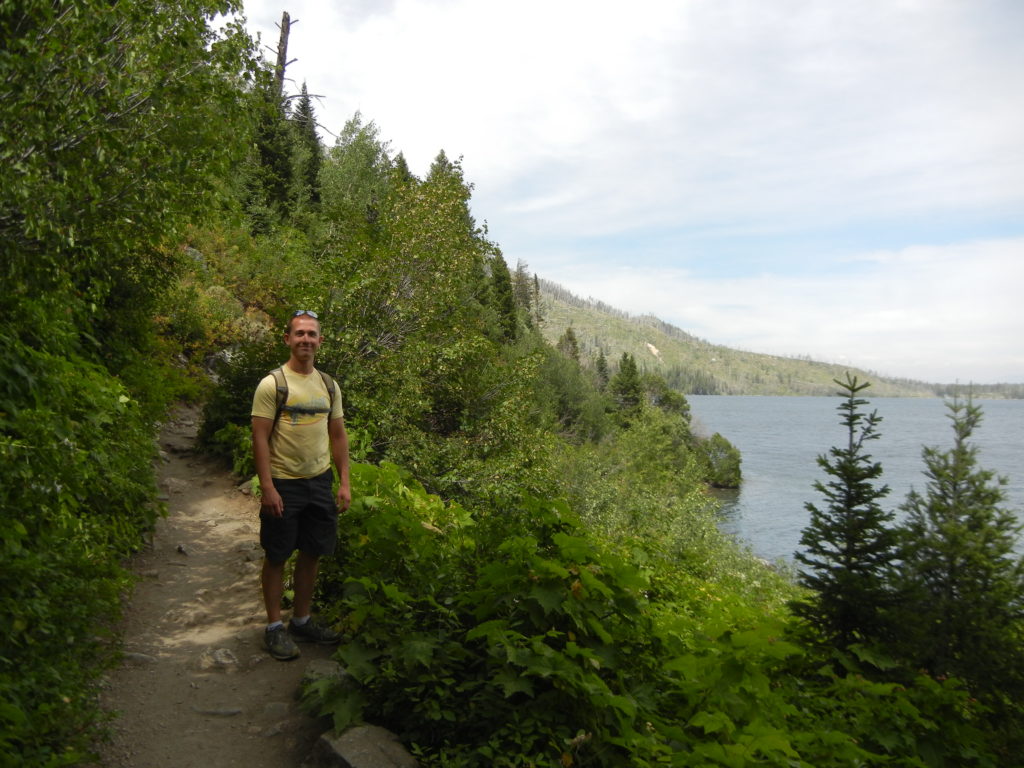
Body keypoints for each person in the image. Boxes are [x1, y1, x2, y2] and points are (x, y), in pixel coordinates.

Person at [250, 309, 351, 660]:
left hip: (319, 482)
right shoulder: (272, 384)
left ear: (320, 341)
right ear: (288, 339)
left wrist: (344, 483)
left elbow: (337, 435)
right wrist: (267, 487)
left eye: (312, 334)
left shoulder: (328, 384)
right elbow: (259, 438)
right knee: (277, 555)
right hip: (283, 482)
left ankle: (302, 620)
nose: (305, 340)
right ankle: (275, 627)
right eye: (300, 334)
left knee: (312, 553)